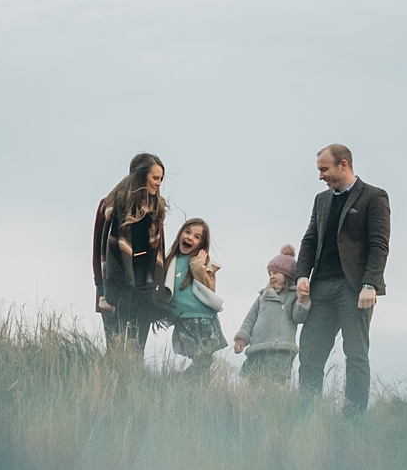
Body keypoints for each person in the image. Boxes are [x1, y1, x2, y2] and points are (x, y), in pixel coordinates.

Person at [293, 144, 389, 414]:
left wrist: (370, 284)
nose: (321, 176)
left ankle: (354, 416)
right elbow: (310, 240)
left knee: (355, 354)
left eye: (325, 169)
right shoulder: (321, 200)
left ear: (343, 164)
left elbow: (379, 244)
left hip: (355, 290)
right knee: (310, 353)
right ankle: (307, 413)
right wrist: (302, 276)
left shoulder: (374, 197)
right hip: (321, 288)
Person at [92, 153, 168, 356]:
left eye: (161, 179)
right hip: (114, 289)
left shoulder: (155, 209)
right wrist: (101, 293)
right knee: (115, 351)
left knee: (136, 353)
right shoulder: (109, 205)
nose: (158, 184)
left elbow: (159, 251)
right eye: (155, 178)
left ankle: (134, 387)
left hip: (143, 290)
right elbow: (98, 252)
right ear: (141, 176)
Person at [233, 245, 311, 384]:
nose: (271, 276)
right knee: (252, 382)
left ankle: (274, 405)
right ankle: (249, 406)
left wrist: (303, 302)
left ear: (287, 275)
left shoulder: (293, 296)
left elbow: (298, 317)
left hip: (281, 349)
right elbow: (250, 319)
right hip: (258, 347)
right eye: (269, 273)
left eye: (275, 273)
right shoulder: (263, 296)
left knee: (272, 384)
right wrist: (242, 339)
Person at [168, 218, 228, 374]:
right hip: (183, 319)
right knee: (198, 360)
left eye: (196, 237)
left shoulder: (204, 262)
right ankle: (184, 386)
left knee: (204, 361)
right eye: (187, 232)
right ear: (180, 233)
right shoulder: (170, 261)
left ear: (202, 244)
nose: (189, 238)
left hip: (205, 319)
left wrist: (197, 267)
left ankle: (187, 387)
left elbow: (209, 288)